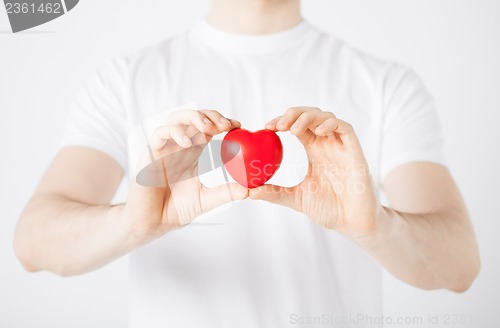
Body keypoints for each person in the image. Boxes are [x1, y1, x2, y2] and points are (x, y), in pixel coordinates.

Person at [14, 0, 480, 327]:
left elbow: (460, 265)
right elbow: (33, 243)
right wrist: (134, 223)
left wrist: (374, 225)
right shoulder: (124, 80)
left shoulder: (387, 85)